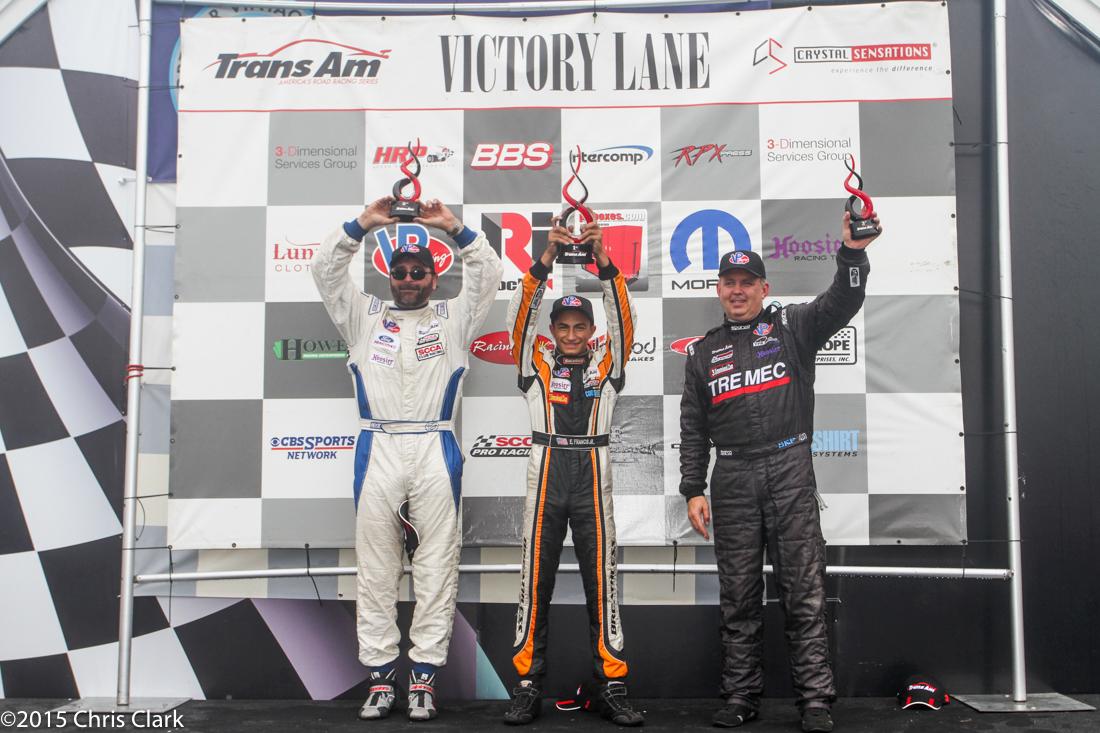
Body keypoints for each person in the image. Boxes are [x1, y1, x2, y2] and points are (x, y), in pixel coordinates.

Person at [679, 212, 881, 732]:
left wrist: (852, 253)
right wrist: (692, 488)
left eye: (747, 282)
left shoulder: (792, 326)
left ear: (764, 288)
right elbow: (693, 427)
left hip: (789, 468)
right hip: (732, 477)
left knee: (803, 591)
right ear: (719, 290)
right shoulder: (702, 352)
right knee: (738, 596)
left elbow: (843, 300)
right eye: (730, 282)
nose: (738, 290)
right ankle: (740, 696)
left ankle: (814, 701)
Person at [312, 197, 502, 721]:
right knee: (376, 567)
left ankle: (423, 678)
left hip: (435, 445)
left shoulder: (455, 317)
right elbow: (325, 270)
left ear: (435, 279)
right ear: (389, 277)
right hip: (378, 445)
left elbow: (488, 273)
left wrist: (454, 228)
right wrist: (364, 224)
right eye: (401, 272)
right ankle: (379, 678)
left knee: (437, 565)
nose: (410, 279)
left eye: (420, 272)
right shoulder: (363, 316)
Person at [502, 221, 644, 727]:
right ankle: (526, 686)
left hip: (592, 479)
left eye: (579, 326)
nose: (569, 334)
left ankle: (612, 685)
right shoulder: (535, 363)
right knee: (533, 585)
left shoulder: (609, 363)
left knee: (602, 584)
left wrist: (604, 264)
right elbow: (521, 319)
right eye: (561, 326)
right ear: (552, 331)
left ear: (590, 331)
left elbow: (623, 319)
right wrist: (543, 263)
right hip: (545, 477)